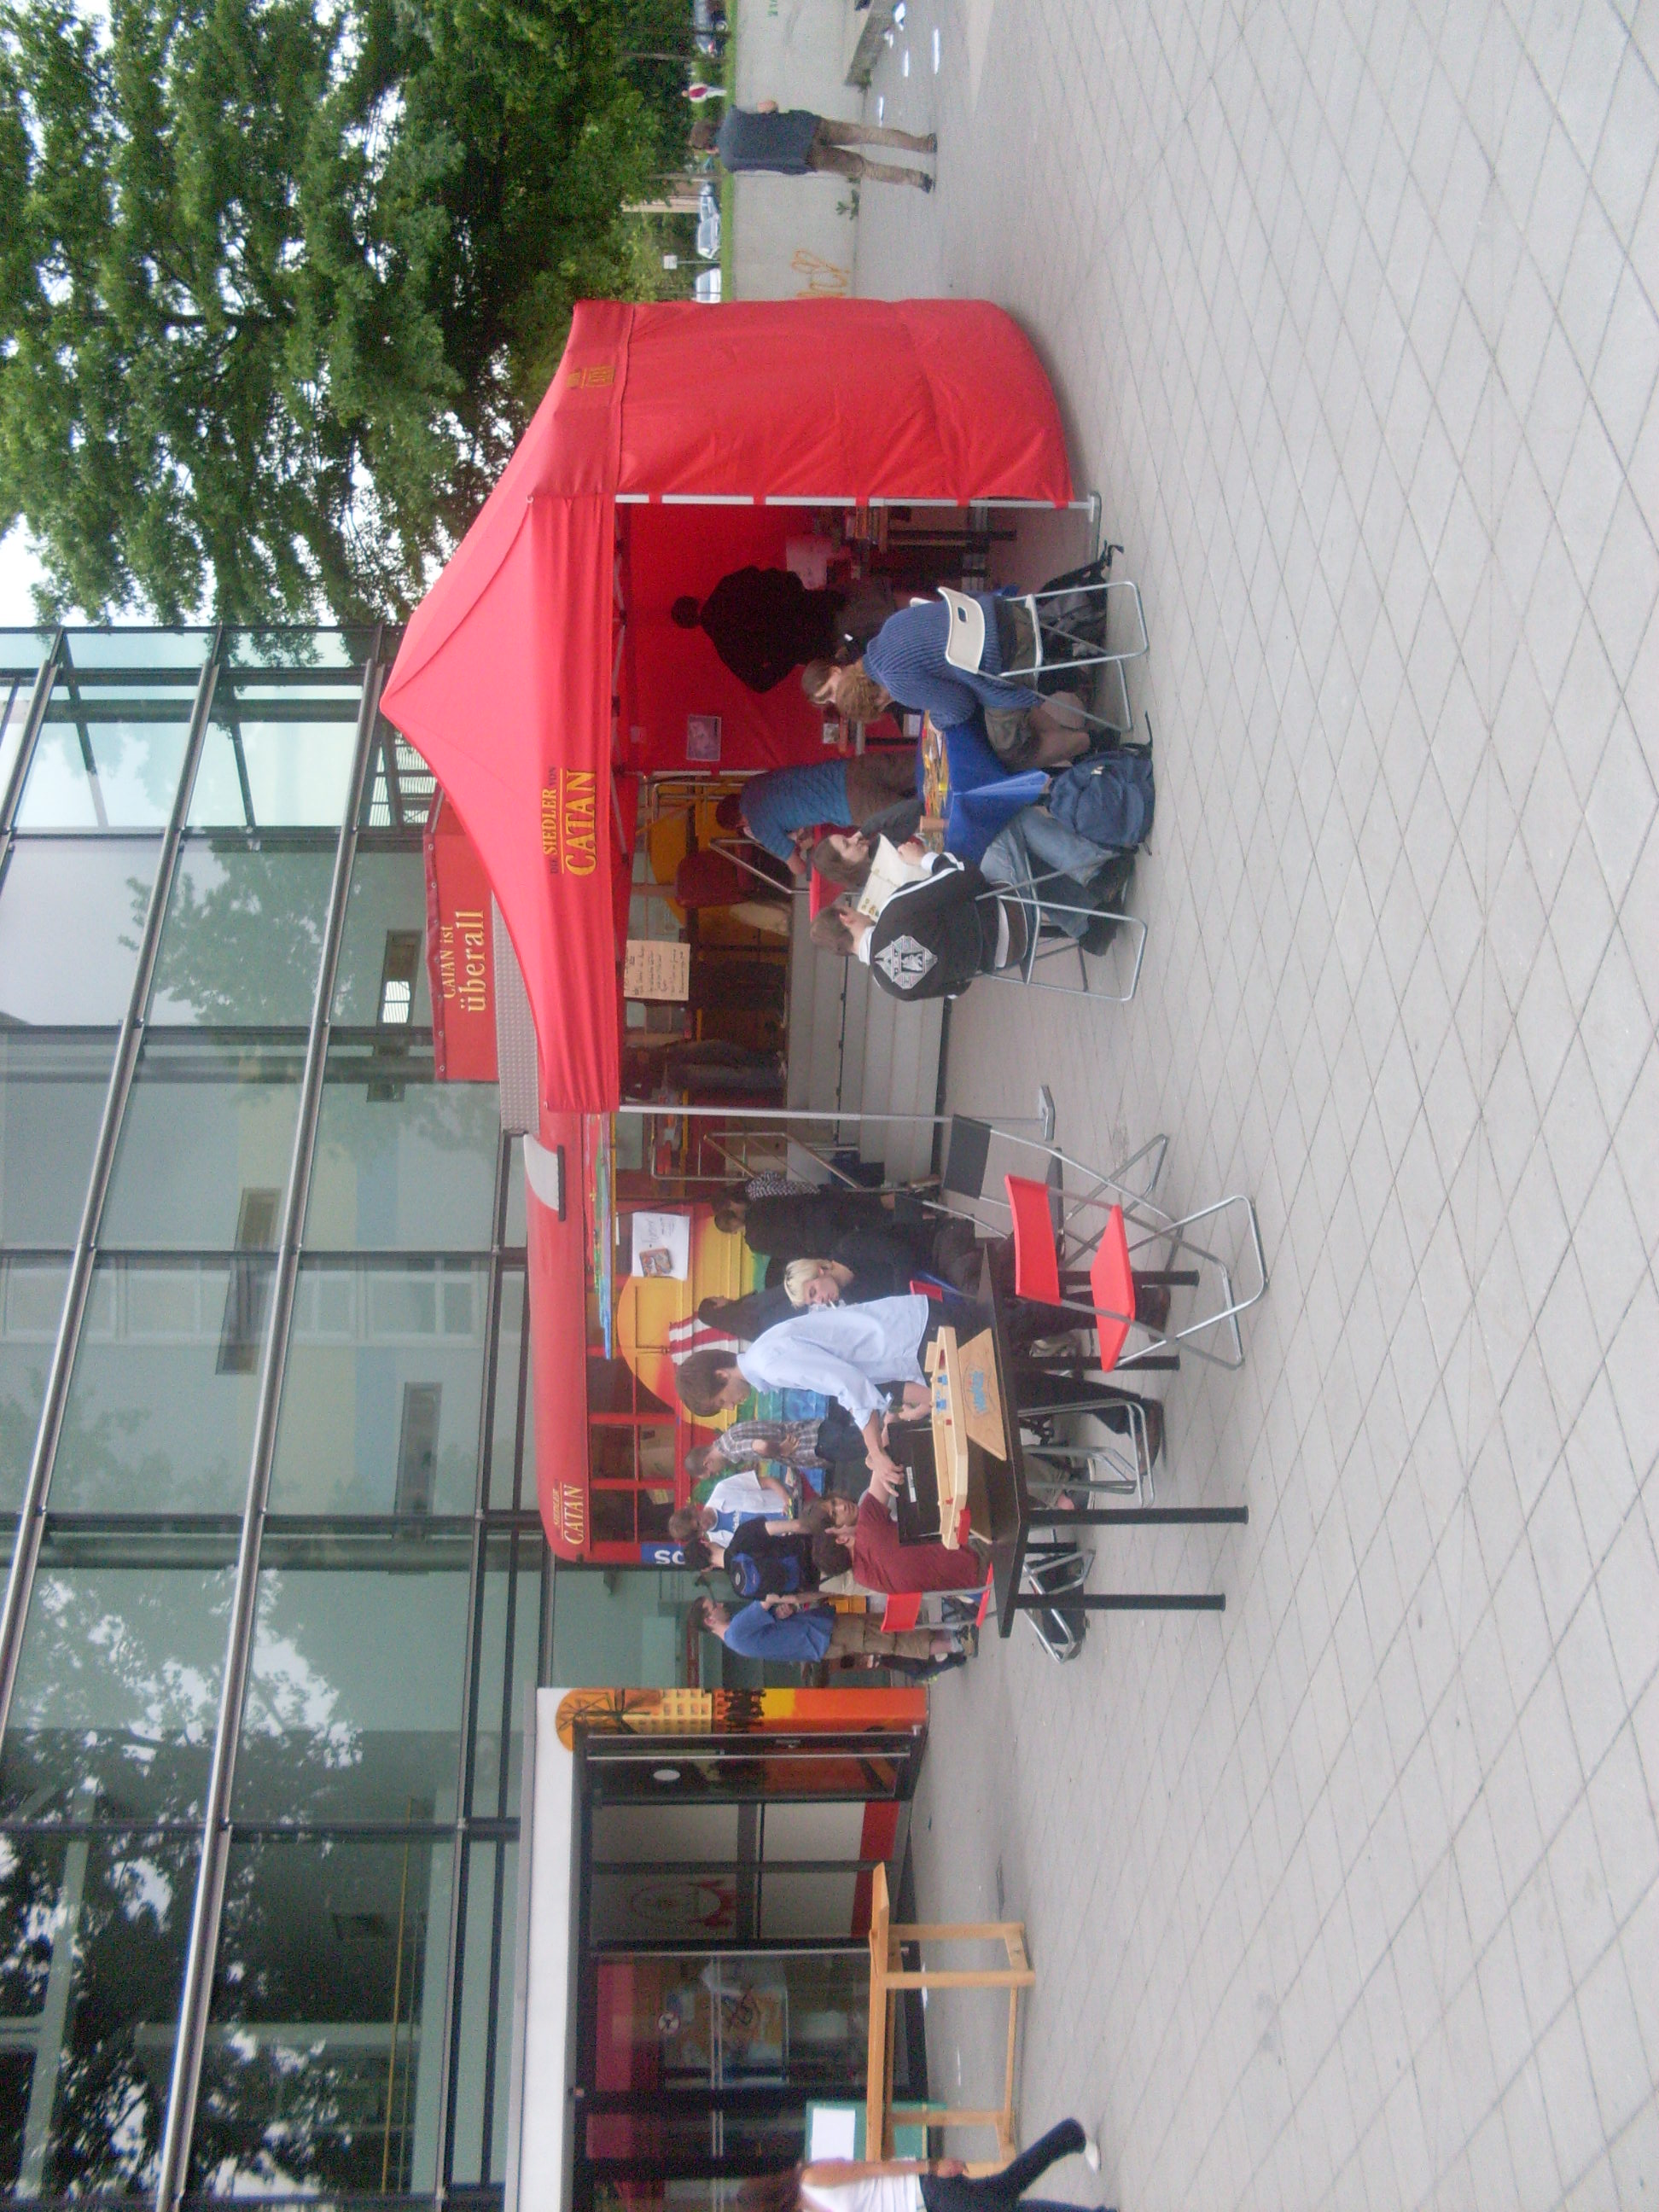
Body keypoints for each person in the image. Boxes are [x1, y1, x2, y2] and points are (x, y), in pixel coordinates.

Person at [673, 1291, 973, 1494]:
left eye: (721, 1401)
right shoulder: (764, 1357)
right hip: (911, 1337)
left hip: (916, 1338)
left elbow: (849, 1384)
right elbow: (863, 1380)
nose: (730, 1407)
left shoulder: (769, 1364)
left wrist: (875, 1451)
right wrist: (925, 1402)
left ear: (721, 1375)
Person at [804, 591, 1094, 771]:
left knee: (1010, 752)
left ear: (875, 698)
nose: (886, 704)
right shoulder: (886, 631)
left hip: (1009, 654)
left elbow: (961, 706)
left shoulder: (896, 683)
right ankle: (1068, 729)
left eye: (880, 705)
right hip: (1006, 612)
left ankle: (1089, 743)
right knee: (999, 711)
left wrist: (936, 722)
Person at [740, 2116, 1103, 2212]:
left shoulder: (812, 2179)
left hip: (924, 2189)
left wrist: (931, 2166)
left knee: (1005, 2207)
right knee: (1006, 2190)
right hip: (924, 2209)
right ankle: (1069, 2136)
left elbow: (873, 2167)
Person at [672, 568, 893, 693]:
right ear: (696, 598)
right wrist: (796, 591)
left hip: (819, 646)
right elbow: (779, 579)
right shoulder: (727, 586)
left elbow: (759, 683)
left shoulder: (725, 647)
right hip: (821, 608)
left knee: (883, 648)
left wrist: (787, 656)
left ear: (693, 626)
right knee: (886, 604)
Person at [737, 752, 920, 867]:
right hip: (850, 769)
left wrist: (798, 848)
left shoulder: (759, 826)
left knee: (921, 818)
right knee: (924, 765)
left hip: (850, 804)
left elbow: (797, 867)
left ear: (739, 823)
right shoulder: (753, 784)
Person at [697, 103, 936, 190]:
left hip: (805, 157)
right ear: (712, 125)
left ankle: (918, 180)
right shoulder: (733, 115)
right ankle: (924, 144)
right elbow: (769, 105)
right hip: (807, 127)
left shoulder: (729, 162)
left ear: (709, 149)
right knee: (866, 134)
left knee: (864, 169)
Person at [692, 1594, 965, 1668]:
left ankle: (951, 1638)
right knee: (888, 1636)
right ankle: (955, 1642)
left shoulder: (735, 1641)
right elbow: (768, 1597)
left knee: (885, 1632)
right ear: (709, 1620)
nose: (721, 1604)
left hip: (819, 1640)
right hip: (823, 1633)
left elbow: (772, 1624)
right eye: (714, 1606)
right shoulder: (736, 1629)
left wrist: (779, 1613)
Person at [812, 1487, 987, 1596]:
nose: (842, 1507)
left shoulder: (863, 1579)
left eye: (834, 1502)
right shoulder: (868, 1524)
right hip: (975, 1551)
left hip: (972, 1586)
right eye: (835, 1516)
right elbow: (882, 1469)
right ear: (841, 1538)